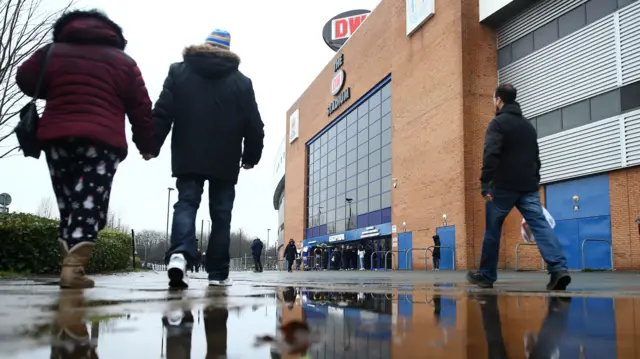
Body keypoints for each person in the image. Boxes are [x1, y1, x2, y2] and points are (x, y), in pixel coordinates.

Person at [15, 10, 156, 289]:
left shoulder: (52, 52)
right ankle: (74, 268)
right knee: (90, 201)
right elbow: (141, 108)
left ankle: (70, 264)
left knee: (68, 202)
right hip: (101, 143)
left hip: (57, 138)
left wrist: (59, 85)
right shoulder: (124, 63)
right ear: (113, 35)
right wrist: (148, 145)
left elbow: (26, 80)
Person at [153, 29, 265, 288]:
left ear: (204, 46)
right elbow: (255, 125)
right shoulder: (242, 82)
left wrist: (152, 144)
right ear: (228, 52)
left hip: (187, 154)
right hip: (225, 159)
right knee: (221, 214)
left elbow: (162, 111)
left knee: (186, 203)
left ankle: (180, 253)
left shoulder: (179, 71)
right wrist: (251, 157)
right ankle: (217, 273)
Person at [467, 84, 570, 291]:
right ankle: (558, 269)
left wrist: (486, 184)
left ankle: (486, 275)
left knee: (493, 230)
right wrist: (535, 180)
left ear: (499, 100)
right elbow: (536, 158)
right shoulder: (528, 126)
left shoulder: (497, 124)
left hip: (502, 187)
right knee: (540, 225)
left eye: (493, 99)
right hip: (528, 186)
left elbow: (491, 154)